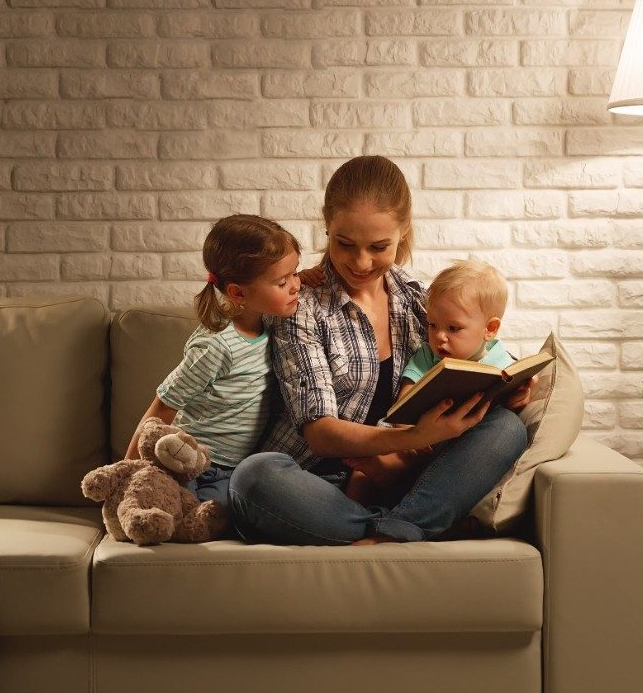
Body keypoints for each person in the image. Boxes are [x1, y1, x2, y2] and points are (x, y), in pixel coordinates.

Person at [227, 156, 530, 545]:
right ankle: (410, 528)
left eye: (379, 246)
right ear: (327, 228)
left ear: (403, 233)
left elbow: (465, 354)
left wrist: (508, 389)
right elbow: (320, 435)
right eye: (345, 244)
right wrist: (415, 438)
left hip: (406, 479)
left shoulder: (415, 298)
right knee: (253, 478)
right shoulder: (299, 306)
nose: (361, 262)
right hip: (316, 484)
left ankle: (394, 526)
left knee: (506, 429)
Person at [124, 214, 302, 510]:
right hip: (196, 464)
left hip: (235, 469)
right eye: (284, 281)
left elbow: (285, 279)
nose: (296, 286)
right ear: (237, 292)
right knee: (205, 511)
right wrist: (128, 471)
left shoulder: (270, 319)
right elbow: (163, 405)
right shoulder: (216, 345)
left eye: (297, 273)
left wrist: (311, 275)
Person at [342, 258, 514, 505]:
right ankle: (355, 520)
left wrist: (522, 391)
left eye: (453, 328)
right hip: (415, 438)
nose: (439, 337)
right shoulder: (427, 355)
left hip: (458, 445)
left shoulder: (500, 361)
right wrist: (408, 432)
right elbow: (406, 399)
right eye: (433, 325)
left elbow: (512, 396)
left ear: (490, 329)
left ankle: (391, 481)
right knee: (369, 464)